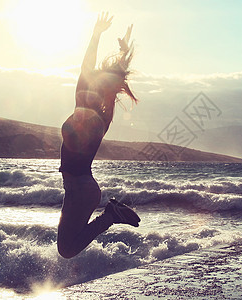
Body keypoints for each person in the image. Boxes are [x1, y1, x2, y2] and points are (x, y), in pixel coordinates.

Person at [57, 12, 141, 259]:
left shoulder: (84, 106)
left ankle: (110, 217)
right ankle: (111, 215)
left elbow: (86, 68)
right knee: (67, 247)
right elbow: (92, 72)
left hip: (81, 188)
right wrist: (122, 56)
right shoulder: (103, 117)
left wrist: (96, 35)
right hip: (78, 188)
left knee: (67, 249)